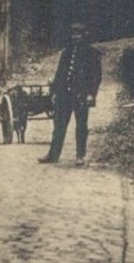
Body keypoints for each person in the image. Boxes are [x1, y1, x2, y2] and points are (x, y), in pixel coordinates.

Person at [39, 22, 102, 165]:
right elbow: (60, 73)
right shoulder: (66, 53)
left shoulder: (92, 53)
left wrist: (91, 94)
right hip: (64, 95)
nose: (76, 37)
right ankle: (53, 155)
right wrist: (55, 92)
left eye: (79, 34)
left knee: (81, 126)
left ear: (84, 35)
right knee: (59, 125)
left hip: (81, 95)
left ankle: (80, 156)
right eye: (74, 34)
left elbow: (96, 76)